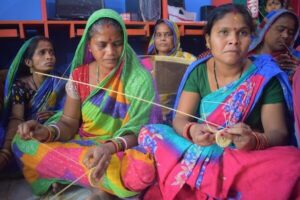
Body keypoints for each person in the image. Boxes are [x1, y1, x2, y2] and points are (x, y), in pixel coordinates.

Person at [137, 4, 300, 199]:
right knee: (152, 132)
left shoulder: (265, 76)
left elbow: (278, 132)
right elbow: (179, 119)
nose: (233, 40)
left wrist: (255, 140)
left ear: (251, 38)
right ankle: (213, 179)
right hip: (201, 146)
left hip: (244, 155)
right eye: (224, 32)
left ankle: (201, 180)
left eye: (242, 33)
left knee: (292, 161)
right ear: (208, 40)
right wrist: (192, 130)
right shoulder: (199, 71)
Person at [13, 9, 160, 199]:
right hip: (82, 146)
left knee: (143, 168)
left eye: (117, 44)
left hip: (119, 149)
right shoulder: (78, 77)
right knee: (22, 143)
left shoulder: (138, 79)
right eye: (102, 45)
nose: (111, 52)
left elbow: (140, 131)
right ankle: (100, 180)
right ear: (89, 46)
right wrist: (46, 132)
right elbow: (68, 123)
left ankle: (87, 176)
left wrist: (108, 148)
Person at [0, 36, 66, 172]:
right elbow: (16, 118)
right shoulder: (21, 86)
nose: (49, 57)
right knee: (21, 144)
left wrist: (56, 114)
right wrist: (6, 152)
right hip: (29, 131)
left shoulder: (61, 81)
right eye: (42, 53)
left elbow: (71, 113)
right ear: (29, 62)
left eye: (51, 52)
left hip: (53, 130)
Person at [249, 9, 300, 80]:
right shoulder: (245, 56)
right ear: (266, 28)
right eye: (280, 29)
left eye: (291, 33)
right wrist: (272, 68)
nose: (286, 35)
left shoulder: (295, 59)